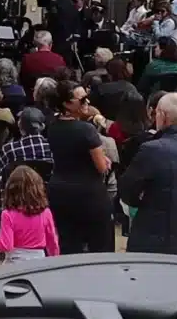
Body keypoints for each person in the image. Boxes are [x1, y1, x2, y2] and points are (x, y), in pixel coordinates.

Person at [121, 92, 177, 257]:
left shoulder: (152, 149)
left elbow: (128, 190)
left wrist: (140, 201)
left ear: (163, 116)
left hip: (153, 236)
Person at [0, 107, 52, 258]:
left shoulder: (9, 149)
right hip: (44, 193)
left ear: (21, 128)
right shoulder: (53, 147)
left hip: (12, 194)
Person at [47, 80, 114, 254]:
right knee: (100, 246)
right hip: (88, 194)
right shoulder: (86, 130)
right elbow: (101, 167)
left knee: (68, 245)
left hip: (60, 191)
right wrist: (103, 159)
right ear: (66, 104)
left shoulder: (52, 126)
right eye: (82, 100)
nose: (87, 103)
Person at [0, 165, 59, 264]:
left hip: (15, 262)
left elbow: (6, 246)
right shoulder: (45, 212)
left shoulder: (8, 214)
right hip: (39, 261)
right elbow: (52, 242)